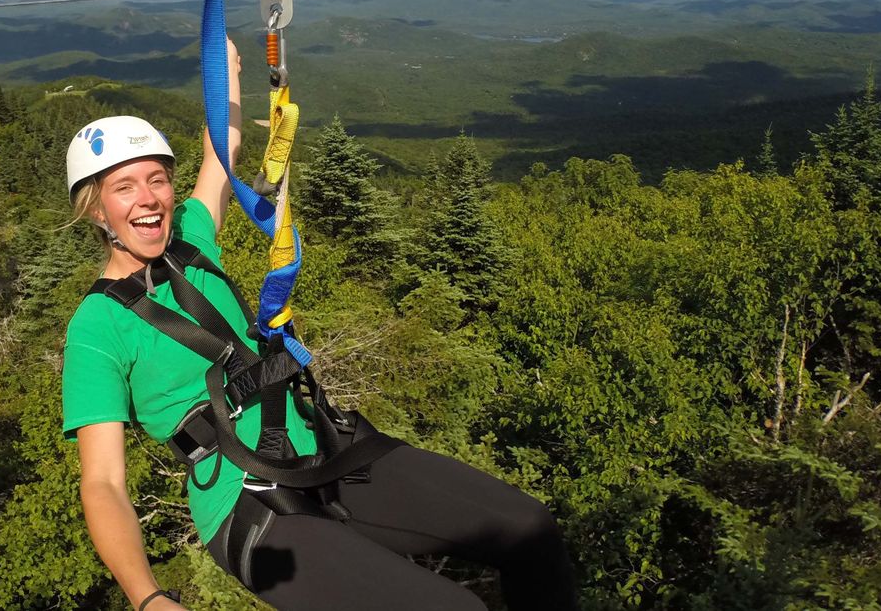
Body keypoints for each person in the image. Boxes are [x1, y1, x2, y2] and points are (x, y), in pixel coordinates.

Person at [61, 40, 578, 611]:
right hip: (243, 503)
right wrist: (148, 597)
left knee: (531, 529)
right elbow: (103, 483)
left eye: (157, 179)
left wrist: (224, 67)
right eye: (124, 187)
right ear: (95, 207)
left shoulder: (191, 237)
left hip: (321, 446)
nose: (149, 199)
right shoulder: (97, 327)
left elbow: (221, 149)